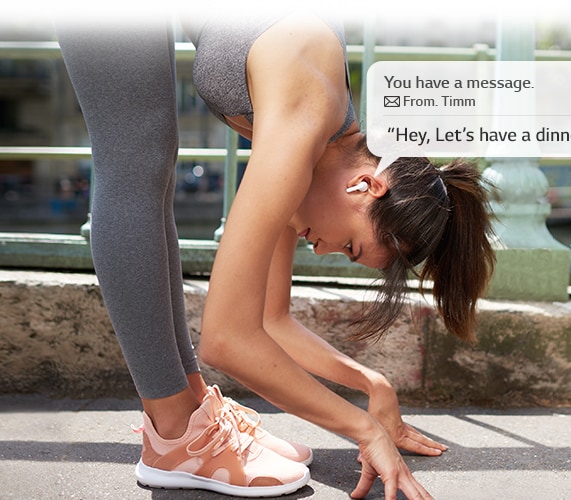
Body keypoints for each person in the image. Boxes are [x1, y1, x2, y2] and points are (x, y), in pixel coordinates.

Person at [57, 6, 495, 500]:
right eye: (350, 246)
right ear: (366, 185)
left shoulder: (316, 144)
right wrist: (363, 430)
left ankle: (192, 406)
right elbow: (226, 339)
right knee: (137, 157)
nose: (324, 250)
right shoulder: (305, 115)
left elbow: (270, 320)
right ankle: (174, 432)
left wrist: (372, 384)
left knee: (148, 156)